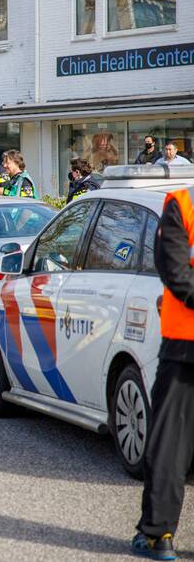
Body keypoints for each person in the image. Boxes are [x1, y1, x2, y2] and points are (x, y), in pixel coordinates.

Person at [131, 185, 194, 560]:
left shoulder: (183, 204)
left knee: (170, 444)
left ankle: (158, 535)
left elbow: (173, 269)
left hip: (184, 344)